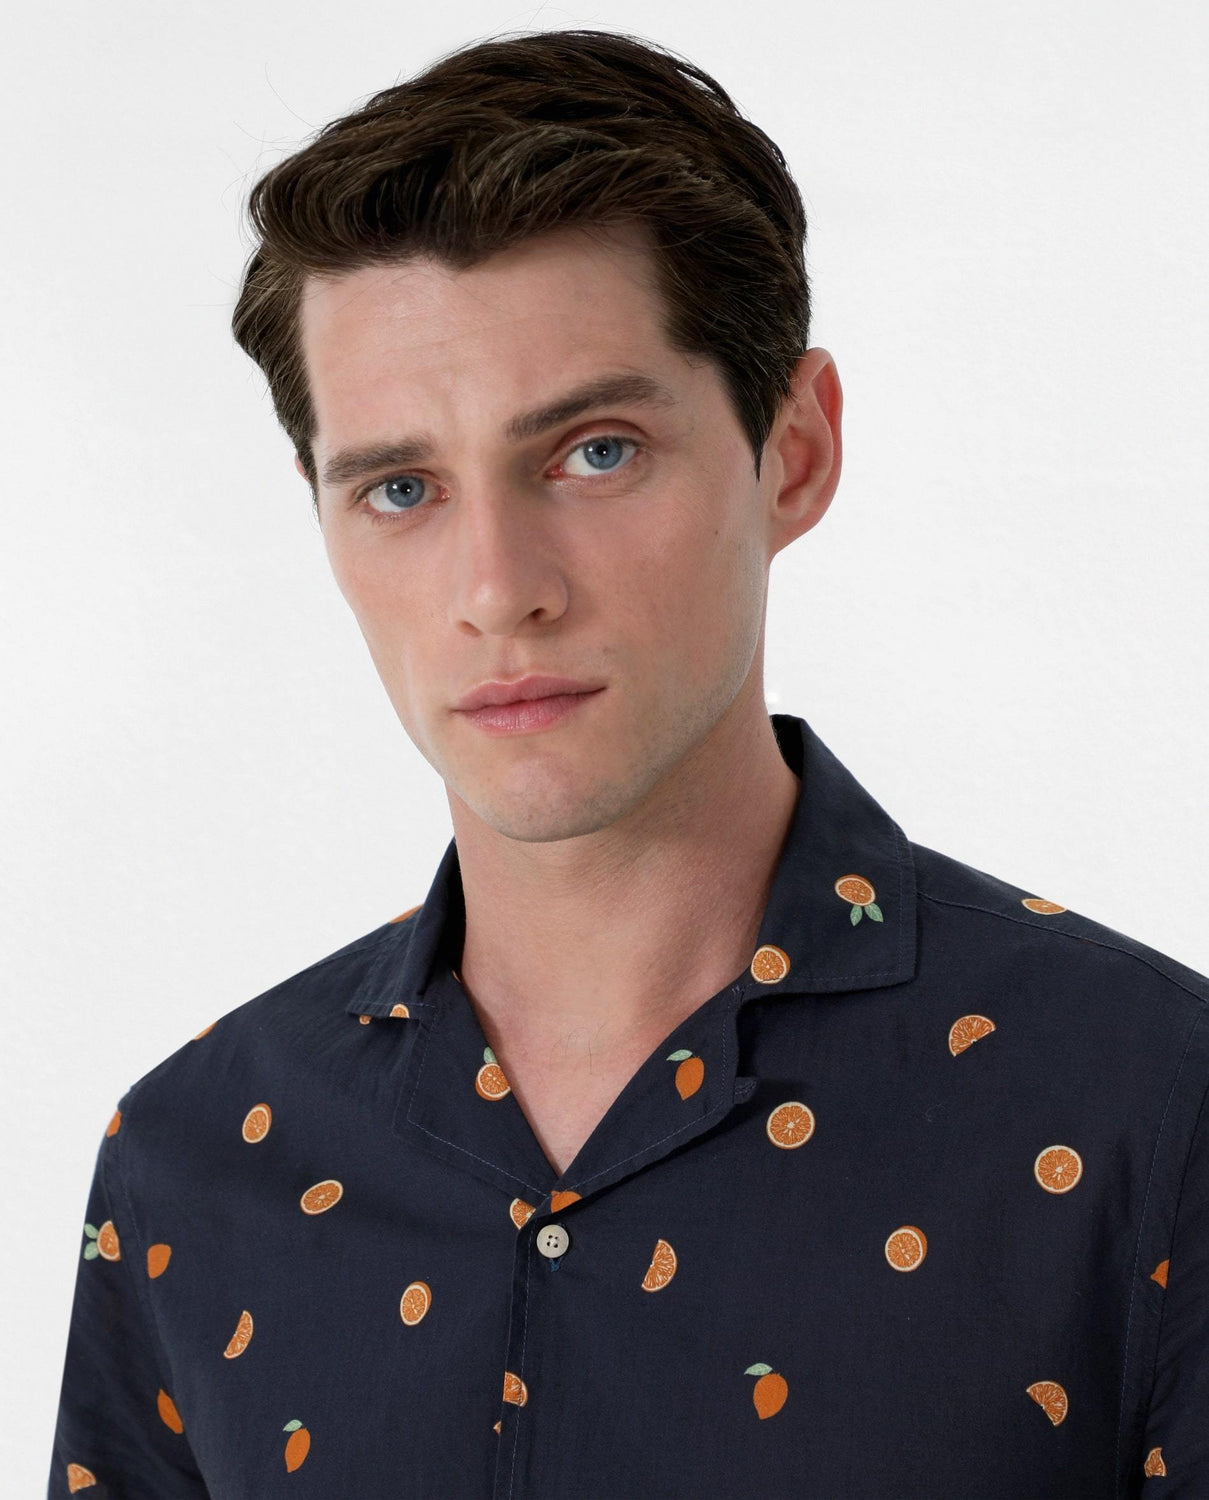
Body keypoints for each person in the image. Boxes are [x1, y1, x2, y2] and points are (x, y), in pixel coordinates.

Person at [48, 26, 1207, 1500]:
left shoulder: (1148, 1112)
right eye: (400, 488)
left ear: (793, 451)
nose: (497, 588)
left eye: (594, 451)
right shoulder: (192, 1160)